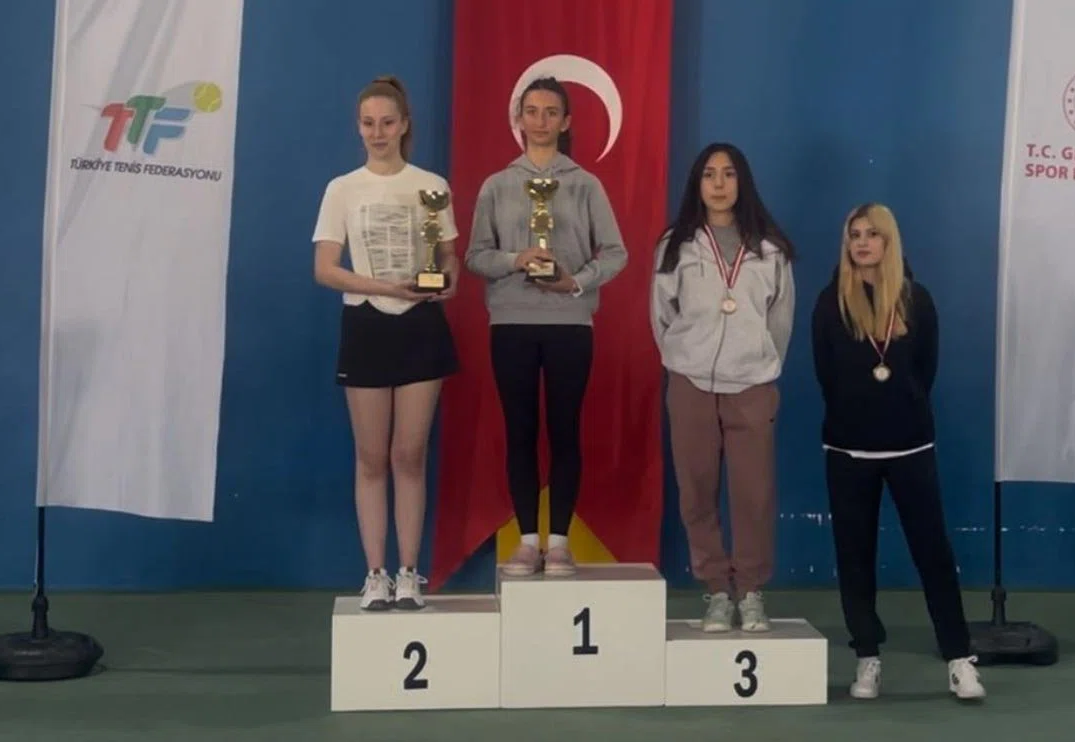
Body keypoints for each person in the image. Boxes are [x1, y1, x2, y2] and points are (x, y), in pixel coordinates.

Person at [810, 202, 986, 700]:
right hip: (848, 450)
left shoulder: (916, 300)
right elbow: (825, 373)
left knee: (933, 554)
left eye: (872, 234)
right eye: (854, 235)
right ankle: (867, 658)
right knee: (855, 558)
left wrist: (901, 408)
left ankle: (959, 660)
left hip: (910, 446)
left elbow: (925, 370)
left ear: (889, 242)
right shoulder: (831, 303)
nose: (862, 243)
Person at [464, 76, 628, 577]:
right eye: (531, 111)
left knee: (564, 429)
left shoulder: (585, 185)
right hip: (511, 322)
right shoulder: (496, 185)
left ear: (566, 121)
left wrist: (575, 282)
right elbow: (475, 256)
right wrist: (515, 259)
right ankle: (526, 540)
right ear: (518, 118)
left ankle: (558, 542)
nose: (540, 121)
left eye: (551, 112)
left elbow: (616, 253)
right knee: (519, 430)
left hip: (569, 324)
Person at [311, 75, 460, 611]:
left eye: (387, 123)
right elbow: (325, 268)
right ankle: (374, 573)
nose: (378, 132)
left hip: (420, 327)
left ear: (404, 125)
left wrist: (446, 280)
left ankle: (409, 572)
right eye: (369, 123)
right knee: (372, 458)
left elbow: (447, 258)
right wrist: (383, 287)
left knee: (409, 455)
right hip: (367, 324)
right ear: (359, 127)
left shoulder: (431, 185)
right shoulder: (342, 189)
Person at [650, 143, 796, 632]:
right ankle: (715, 589)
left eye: (728, 174)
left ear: (742, 182)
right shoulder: (676, 244)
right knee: (696, 491)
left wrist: (760, 362)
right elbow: (661, 315)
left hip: (751, 384)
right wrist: (683, 359)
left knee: (754, 494)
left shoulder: (770, 248)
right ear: (697, 183)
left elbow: (780, 321)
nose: (718, 184)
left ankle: (750, 591)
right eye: (709, 174)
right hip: (690, 382)